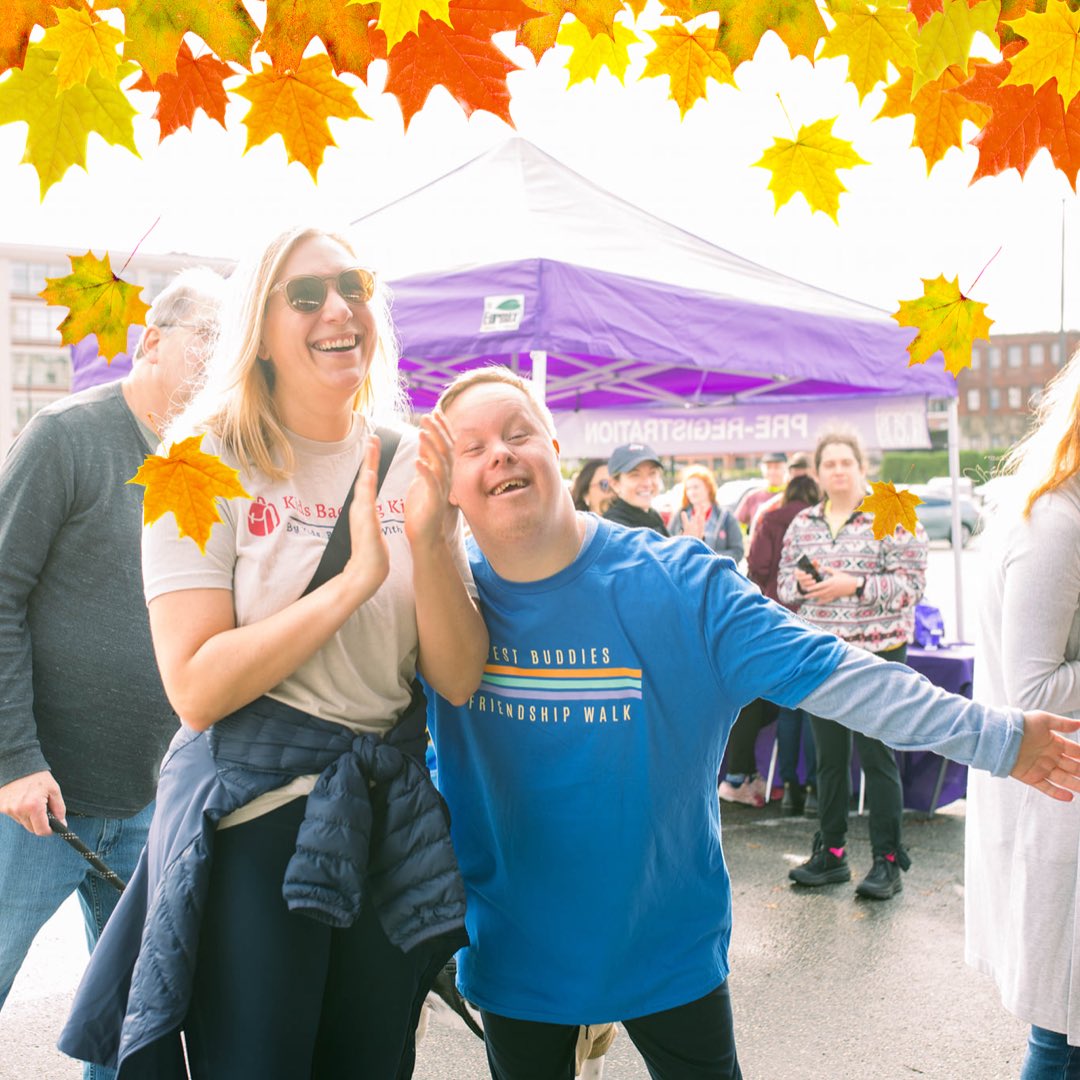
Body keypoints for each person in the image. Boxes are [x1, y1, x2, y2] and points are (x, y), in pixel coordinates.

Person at [427, 366, 1080, 1080]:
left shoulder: (678, 583)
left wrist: (1000, 738)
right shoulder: (434, 604)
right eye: (474, 446)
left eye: (519, 434)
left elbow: (841, 676)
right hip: (515, 951)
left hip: (663, 944)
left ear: (558, 450)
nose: (501, 453)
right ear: (448, 486)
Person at [59, 226, 487, 1078]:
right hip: (254, 830)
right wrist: (354, 580)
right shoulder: (195, 463)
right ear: (259, 325)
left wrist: (434, 542)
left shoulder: (410, 462)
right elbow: (194, 686)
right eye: (305, 295)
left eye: (353, 285)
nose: (338, 309)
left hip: (381, 825)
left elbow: (458, 676)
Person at [0, 269, 226, 1080]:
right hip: (33, 801)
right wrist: (15, 760)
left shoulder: (205, 466)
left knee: (131, 1025)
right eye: (209, 337)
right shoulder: (66, 434)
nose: (221, 360)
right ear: (152, 339)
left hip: (149, 799)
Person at [965, 351, 1080, 1077]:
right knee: (1060, 1030)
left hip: (1058, 800)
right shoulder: (1056, 523)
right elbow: (1032, 691)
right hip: (1057, 802)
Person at [777, 432, 927, 899]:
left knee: (878, 757)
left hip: (878, 653)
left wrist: (853, 585)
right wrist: (802, 585)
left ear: (862, 466)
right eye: (830, 464)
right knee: (828, 760)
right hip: (822, 654)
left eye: (846, 462)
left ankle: (887, 861)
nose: (838, 470)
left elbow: (911, 587)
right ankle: (833, 854)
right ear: (818, 473)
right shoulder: (803, 522)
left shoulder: (894, 512)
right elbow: (783, 587)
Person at [746, 472, 822, 814]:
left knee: (790, 710)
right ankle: (816, 788)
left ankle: (791, 787)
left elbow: (758, 565)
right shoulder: (818, 522)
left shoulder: (771, 518)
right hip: (817, 618)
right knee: (818, 711)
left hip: (779, 618)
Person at [668, 464, 744, 563]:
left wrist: (709, 559)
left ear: (708, 488)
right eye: (688, 488)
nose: (692, 492)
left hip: (717, 574)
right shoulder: (680, 516)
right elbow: (668, 546)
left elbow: (737, 551)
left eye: (696, 487)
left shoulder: (725, 517)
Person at [602, 442, 668, 534]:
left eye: (652, 473)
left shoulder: (652, 516)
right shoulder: (615, 528)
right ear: (615, 484)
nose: (647, 483)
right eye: (635, 475)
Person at [735, 451, 787, 529]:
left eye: (777, 467)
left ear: (785, 469)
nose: (772, 471)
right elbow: (736, 525)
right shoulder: (752, 497)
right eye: (769, 467)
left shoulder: (791, 496)